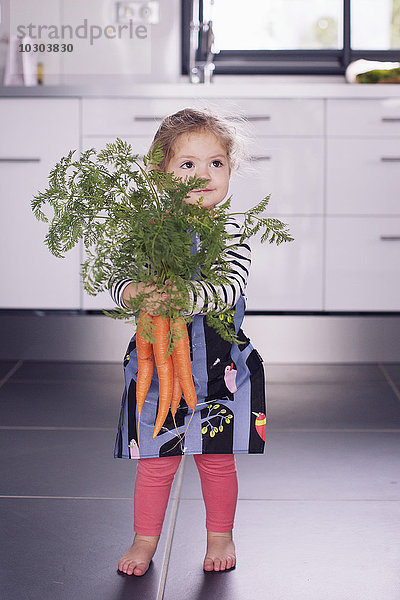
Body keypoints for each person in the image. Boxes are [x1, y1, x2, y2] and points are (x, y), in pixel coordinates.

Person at [109, 107, 266, 576]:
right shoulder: (147, 230)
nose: (203, 174)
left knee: (217, 463)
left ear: (230, 171)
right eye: (188, 164)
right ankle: (144, 540)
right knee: (155, 464)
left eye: (216, 163)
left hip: (222, 372)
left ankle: (221, 536)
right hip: (158, 371)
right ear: (161, 174)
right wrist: (134, 291)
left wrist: (185, 294)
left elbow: (228, 285)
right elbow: (119, 282)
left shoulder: (232, 230)